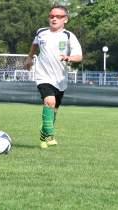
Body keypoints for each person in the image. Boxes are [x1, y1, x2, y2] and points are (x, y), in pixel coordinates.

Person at [25, 5, 83, 149]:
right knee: (49, 101)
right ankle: (50, 133)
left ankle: (44, 136)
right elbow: (34, 45)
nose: (54, 18)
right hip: (43, 76)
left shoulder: (69, 36)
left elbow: (79, 56)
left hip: (60, 79)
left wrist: (69, 57)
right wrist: (29, 58)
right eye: (51, 16)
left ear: (66, 19)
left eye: (58, 16)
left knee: (54, 109)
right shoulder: (41, 32)